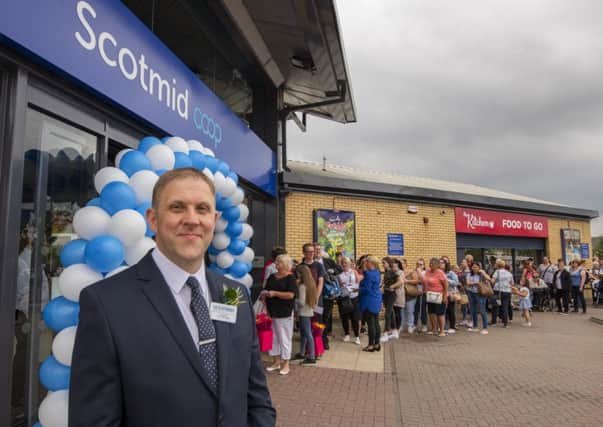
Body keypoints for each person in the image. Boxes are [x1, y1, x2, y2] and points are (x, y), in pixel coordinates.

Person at [70, 168, 275, 427]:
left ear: (214, 218)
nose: (192, 220)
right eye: (177, 207)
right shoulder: (106, 303)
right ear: (153, 219)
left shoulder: (234, 294)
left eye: (202, 209)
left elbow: (255, 392)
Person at [264, 254, 297, 375]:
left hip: (285, 312)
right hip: (272, 311)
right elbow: (267, 291)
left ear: (286, 264)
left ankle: (286, 364)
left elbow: (291, 295)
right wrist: (266, 298)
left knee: (284, 338)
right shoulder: (272, 276)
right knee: (274, 338)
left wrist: (275, 293)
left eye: (279, 262)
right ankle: (276, 361)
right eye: (276, 262)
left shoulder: (290, 278)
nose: (276, 264)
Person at [313, 242, 342, 350]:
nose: (317, 252)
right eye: (315, 250)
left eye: (319, 250)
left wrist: (332, 271)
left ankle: (324, 339)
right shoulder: (310, 263)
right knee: (317, 317)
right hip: (316, 295)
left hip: (328, 296)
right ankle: (317, 340)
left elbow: (339, 269)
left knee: (325, 317)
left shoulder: (328, 261)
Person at [293, 264, 317, 364]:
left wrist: (294, 299)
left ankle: (311, 356)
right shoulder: (311, 284)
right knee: (304, 334)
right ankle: (302, 353)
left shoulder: (303, 286)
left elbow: (301, 302)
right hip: (308, 311)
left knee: (307, 334)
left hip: (304, 312)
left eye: (298, 273)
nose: (297, 275)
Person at [359, 256, 382, 352]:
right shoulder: (377, 273)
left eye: (366, 262)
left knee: (371, 324)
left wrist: (357, 289)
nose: (365, 264)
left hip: (369, 300)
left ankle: (370, 345)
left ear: (371, 263)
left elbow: (367, 289)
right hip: (376, 299)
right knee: (376, 323)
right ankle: (377, 343)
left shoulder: (369, 274)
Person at [337, 256, 361, 345]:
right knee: (344, 317)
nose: (344, 264)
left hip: (354, 297)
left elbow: (358, 282)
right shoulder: (340, 275)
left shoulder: (354, 272)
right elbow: (339, 287)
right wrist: (342, 286)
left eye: (346, 262)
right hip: (344, 298)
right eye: (343, 263)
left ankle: (357, 336)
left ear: (350, 264)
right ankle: (346, 334)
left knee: (355, 318)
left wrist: (354, 288)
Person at [422, 258, 448, 337]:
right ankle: (434, 329)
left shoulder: (440, 273)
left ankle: (442, 331)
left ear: (437, 265)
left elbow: (446, 285)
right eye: (430, 263)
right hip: (430, 296)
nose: (430, 265)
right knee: (431, 312)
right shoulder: (427, 272)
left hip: (439, 296)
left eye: (432, 264)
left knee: (440, 313)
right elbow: (425, 281)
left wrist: (444, 297)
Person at [381, 257, 403, 342]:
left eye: (384, 263)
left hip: (391, 295)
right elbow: (385, 282)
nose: (382, 265)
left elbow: (401, 281)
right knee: (391, 312)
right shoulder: (387, 272)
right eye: (382, 263)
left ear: (389, 263)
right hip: (386, 294)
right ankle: (394, 331)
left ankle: (386, 333)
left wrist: (392, 286)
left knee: (387, 313)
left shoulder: (392, 271)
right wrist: (383, 286)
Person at [465, 262, 491, 334]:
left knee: (482, 310)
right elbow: (467, 283)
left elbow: (489, 279)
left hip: (480, 294)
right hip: (471, 293)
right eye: (473, 267)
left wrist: (483, 273)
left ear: (479, 268)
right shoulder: (469, 274)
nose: (474, 268)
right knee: (473, 310)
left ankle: (485, 328)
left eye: (476, 267)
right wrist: (475, 283)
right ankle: (475, 327)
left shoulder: (482, 275)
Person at [490, 258, 514, 328]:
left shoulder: (497, 272)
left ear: (497, 265)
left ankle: (493, 322)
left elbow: (492, 281)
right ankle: (505, 323)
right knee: (505, 307)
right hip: (507, 291)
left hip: (498, 291)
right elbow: (512, 283)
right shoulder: (509, 273)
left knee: (495, 306)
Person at [402, 263, 420, 334]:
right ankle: (401, 326)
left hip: (410, 295)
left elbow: (416, 281)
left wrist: (406, 281)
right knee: (401, 312)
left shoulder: (411, 272)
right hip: (402, 295)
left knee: (410, 311)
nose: (402, 264)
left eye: (403, 263)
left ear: (406, 264)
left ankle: (410, 326)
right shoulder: (398, 272)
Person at [444, 261, 460, 334]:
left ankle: (452, 327)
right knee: (444, 310)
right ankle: (445, 326)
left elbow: (456, 282)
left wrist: (447, 280)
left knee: (450, 310)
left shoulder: (451, 273)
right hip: (442, 293)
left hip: (450, 293)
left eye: (442, 263)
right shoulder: (439, 272)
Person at [413, 259, 428, 333]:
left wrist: (419, 272)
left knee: (423, 309)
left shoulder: (425, 272)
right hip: (415, 292)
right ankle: (414, 324)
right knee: (415, 309)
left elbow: (423, 281)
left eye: (421, 264)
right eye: (418, 264)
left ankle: (424, 324)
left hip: (423, 292)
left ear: (424, 265)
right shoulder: (414, 272)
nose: (419, 266)